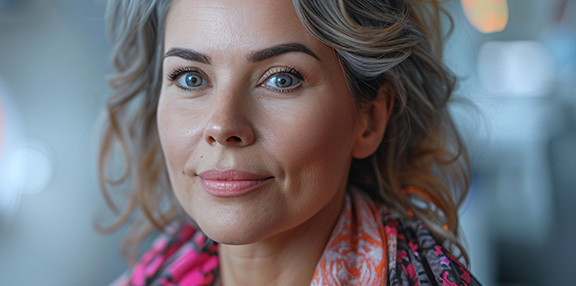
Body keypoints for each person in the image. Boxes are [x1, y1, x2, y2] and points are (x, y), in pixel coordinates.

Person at [98, 0, 480, 285]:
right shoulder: (156, 271)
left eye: (282, 79)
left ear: (369, 120)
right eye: (191, 78)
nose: (223, 125)